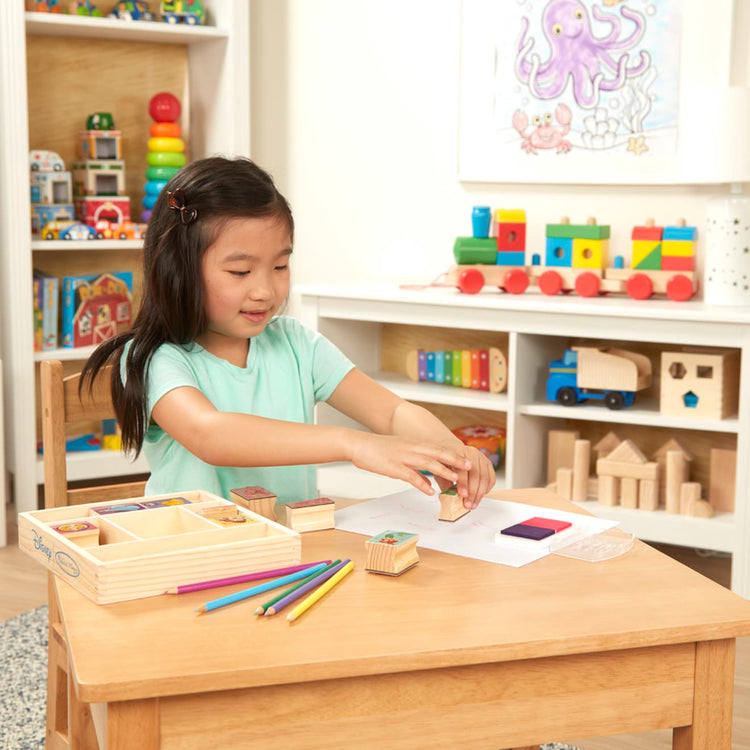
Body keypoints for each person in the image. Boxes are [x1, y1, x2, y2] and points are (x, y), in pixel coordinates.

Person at [82, 156, 495, 508]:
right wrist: (352, 444)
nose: (265, 290)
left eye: (280, 266)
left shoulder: (296, 345)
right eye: (240, 271)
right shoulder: (156, 358)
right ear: (178, 272)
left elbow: (390, 412)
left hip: (291, 554)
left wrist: (452, 456)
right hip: (193, 561)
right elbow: (211, 433)